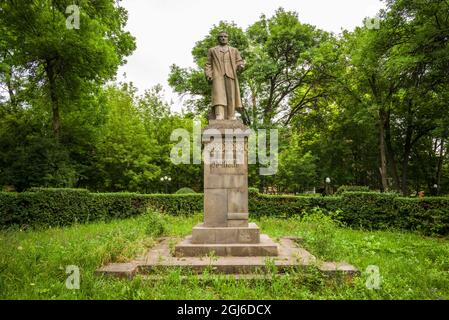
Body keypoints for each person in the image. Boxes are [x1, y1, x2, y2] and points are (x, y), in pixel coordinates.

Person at [205, 32, 245, 120]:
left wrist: (240, 65)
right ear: (218, 39)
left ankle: (231, 115)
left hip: (231, 74)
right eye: (221, 37)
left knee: (231, 96)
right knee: (218, 95)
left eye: (225, 37)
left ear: (228, 38)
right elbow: (208, 64)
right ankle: (219, 115)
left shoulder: (234, 50)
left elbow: (239, 61)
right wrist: (208, 74)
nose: (223, 38)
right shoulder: (212, 50)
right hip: (217, 75)